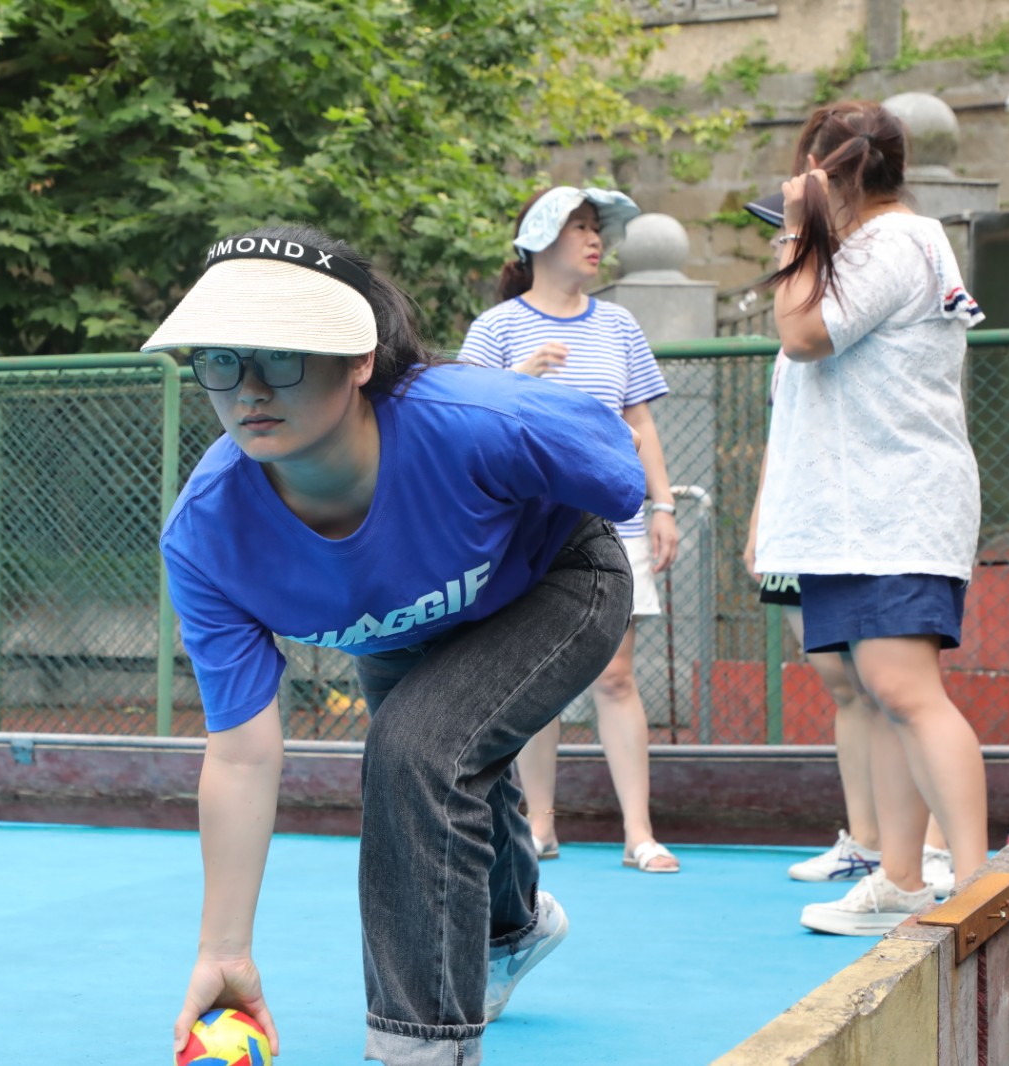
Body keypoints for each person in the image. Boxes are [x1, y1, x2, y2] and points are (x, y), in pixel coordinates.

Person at [148, 225, 646, 1064]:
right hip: (403, 628)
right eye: (221, 359)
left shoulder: (471, 422)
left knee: (417, 749)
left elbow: (614, 462)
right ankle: (514, 928)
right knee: (447, 752)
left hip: (556, 578)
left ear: (359, 359)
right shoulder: (208, 536)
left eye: (283, 356)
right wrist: (224, 952)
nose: (249, 388)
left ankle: (419, 1048)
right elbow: (240, 754)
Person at [753, 100, 988, 936]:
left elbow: (803, 335)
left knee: (905, 690)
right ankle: (901, 878)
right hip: (861, 512)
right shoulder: (879, 247)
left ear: (827, 173)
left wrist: (796, 230)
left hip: (893, 506)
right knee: (889, 696)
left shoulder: (893, 242)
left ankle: (977, 883)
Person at [458, 186, 681, 874]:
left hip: (618, 522)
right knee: (540, 674)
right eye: (578, 226)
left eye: (597, 227)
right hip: (528, 531)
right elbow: (463, 424)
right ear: (539, 239)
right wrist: (518, 379)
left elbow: (640, 422)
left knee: (616, 675)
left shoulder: (619, 325)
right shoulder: (496, 329)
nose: (594, 239)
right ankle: (539, 826)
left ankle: (638, 833)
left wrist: (664, 505)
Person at [741, 339, 953, 898]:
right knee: (844, 685)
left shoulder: (860, 323)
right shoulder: (787, 353)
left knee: (896, 688)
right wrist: (762, 520)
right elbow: (782, 438)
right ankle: (867, 842)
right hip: (801, 524)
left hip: (871, 523)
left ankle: (932, 845)